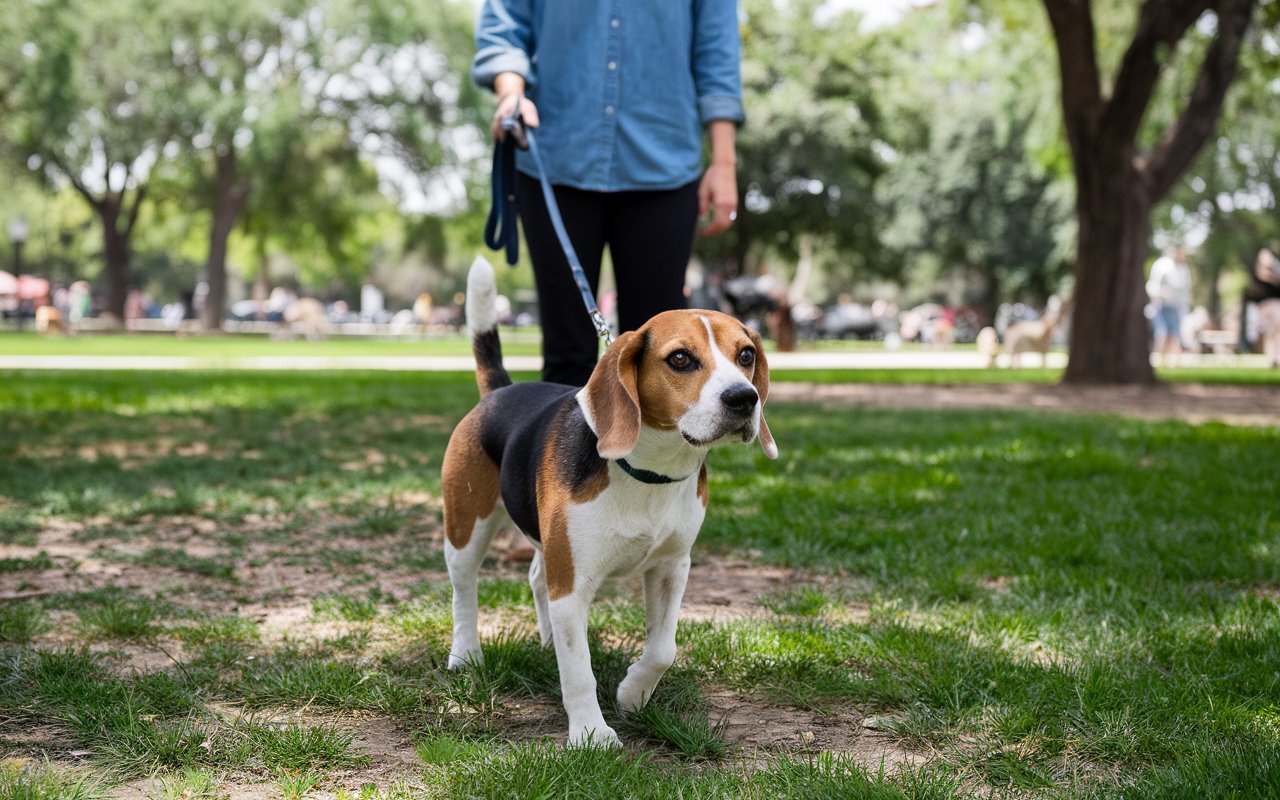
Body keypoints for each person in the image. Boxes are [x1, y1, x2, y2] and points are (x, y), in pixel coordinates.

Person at [472, 0, 744, 387]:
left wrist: (724, 162)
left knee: (665, 358)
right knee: (567, 355)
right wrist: (510, 92)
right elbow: (504, 23)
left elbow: (717, 52)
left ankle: (651, 451)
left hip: (665, 165)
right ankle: (564, 451)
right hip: (555, 156)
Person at [1146, 246, 1192, 365]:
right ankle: (1156, 360)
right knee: (1161, 333)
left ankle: (1171, 362)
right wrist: (1161, 292)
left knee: (1174, 335)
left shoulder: (1183, 268)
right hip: (1160, 305)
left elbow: (1185, 290)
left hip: (1176, 306)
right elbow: (1152, 286)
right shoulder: (1161, 265)